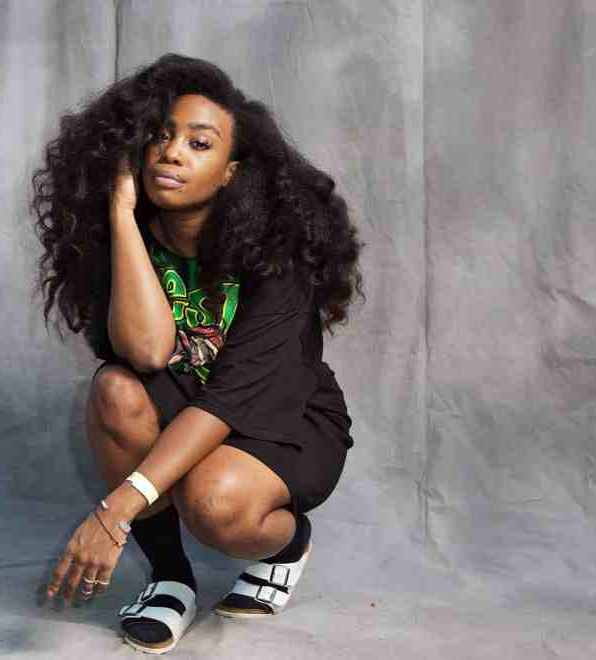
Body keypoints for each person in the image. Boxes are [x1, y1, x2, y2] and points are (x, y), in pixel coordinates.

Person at [30, 53, 364, 654]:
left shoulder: (275, 256)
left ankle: (287, 545)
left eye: (199, 143)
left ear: (232, 171)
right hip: (185, 394)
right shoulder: (126, 237)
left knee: (215, 503)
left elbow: (232, 398)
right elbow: (150, 351)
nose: (173, 152)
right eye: (161, 136)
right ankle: (170, 581)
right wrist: (120, 214)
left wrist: (115, 511)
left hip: (284, 417)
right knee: (115, 390)